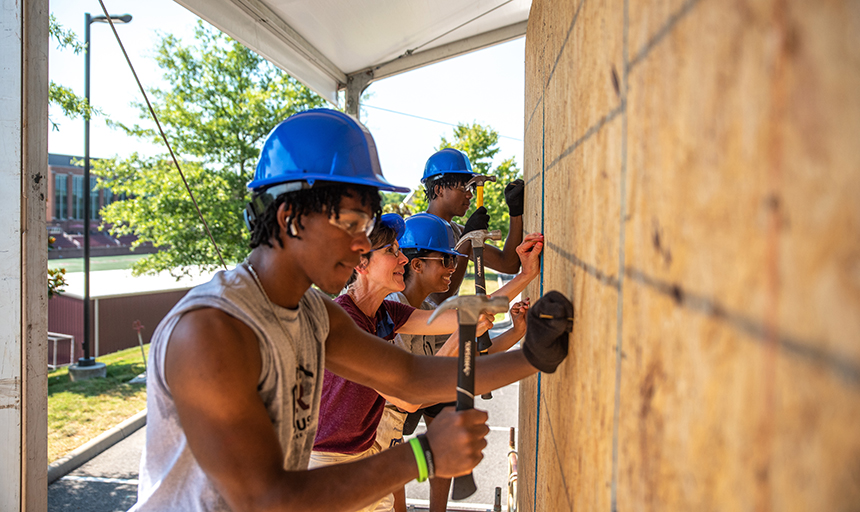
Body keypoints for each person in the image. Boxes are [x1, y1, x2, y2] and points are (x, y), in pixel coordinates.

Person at [130, 108, 573, 512]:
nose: (364, 245)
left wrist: (533, 356)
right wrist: (423, 455)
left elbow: (410, 377)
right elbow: (265, 499)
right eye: (353, 223)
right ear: (290, 216)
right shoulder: (214, 331)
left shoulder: (312, 314)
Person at [310, 212, 543, 512]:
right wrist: (463, 335)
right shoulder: (347, 321)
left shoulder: (386, 314)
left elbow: (461, 314)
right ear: (361, 263)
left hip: (366, 456)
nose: (403, 259)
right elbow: (407, 398)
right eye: (392, 252)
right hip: (328, 467)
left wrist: (525, 276)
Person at [376, 213, 539, 512]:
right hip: (371, 434)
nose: (453, 269)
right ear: (417, 264)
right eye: (446, 261)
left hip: (391, 431)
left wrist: (518, 321)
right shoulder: (393, 308)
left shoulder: (422, 311)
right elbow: (411, 396)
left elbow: (472, 352)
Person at [420, 148, 526, 306]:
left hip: (445, 328)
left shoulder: (456, 231)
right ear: (439, 189)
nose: (470, 195)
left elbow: (508, 265)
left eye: (470, 188)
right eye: (463, 188)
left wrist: (515, 212)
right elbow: (440, 296)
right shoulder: (420, 231)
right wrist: (468, 239)